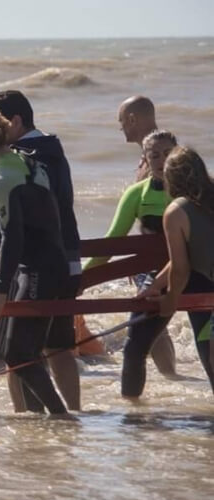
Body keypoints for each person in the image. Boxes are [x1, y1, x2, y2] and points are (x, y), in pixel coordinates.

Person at [0, 91, 83, 412]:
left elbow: (6, 222)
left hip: (33, 264)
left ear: (14, 122)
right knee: (58, 347)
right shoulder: (49, 151)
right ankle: (71, 416)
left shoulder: (18, 159)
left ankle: (35, 421)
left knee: (14, 350)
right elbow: (50, 209)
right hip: (65, 258)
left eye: (1, 123)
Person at [85, 130, 184, 394]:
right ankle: (134, 413)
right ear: (145, 159)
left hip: (193, 271)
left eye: (168, 153)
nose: (162, 160)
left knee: (206, 342)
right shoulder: (137, 194)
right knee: (137, 346)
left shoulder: (196, 189)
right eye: (155, 155)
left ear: (178, 153)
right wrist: (82, 278)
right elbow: (112, 241)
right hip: (151, 277)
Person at [109, 95, 178, 375]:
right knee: (157, 326)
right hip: (149, 258)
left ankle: (169, 377)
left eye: (122, 120)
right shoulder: (151, 155)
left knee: (148, 326)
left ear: (134, 119)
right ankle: (172, 377)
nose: (120, 127)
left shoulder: (163, 159)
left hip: (169, 259)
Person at [137, 146, 214, 397]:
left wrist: (170, 302)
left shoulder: (176, 212)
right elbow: (183, 260)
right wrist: (155, 285)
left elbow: (180, 268)